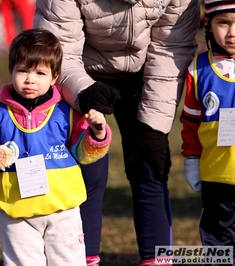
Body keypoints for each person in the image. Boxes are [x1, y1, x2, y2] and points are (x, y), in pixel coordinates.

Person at [33, 0, 200, 265]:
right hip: (80, 74)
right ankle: (81, 259)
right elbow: (59, 51)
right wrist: (85, 94)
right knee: (87, 172)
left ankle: (157, 259)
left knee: (150, 165)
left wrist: (153, 123)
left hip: (147, 74)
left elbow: (171, 47)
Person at [0, 28, 112, 266]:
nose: (29, 79)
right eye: (22, 70)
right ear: (11, 70)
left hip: (63, 210)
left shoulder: (67, 113)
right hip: (16, 211)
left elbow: (84, 154)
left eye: (40, 73)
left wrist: (97, 134)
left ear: (55, 77)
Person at [181, 0, 235, 264]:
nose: (232, 32)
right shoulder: (199, 68)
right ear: (209, 25)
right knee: (219, 241)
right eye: (223, 22)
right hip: (216, 175)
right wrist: (191, 160)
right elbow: (190, 121)